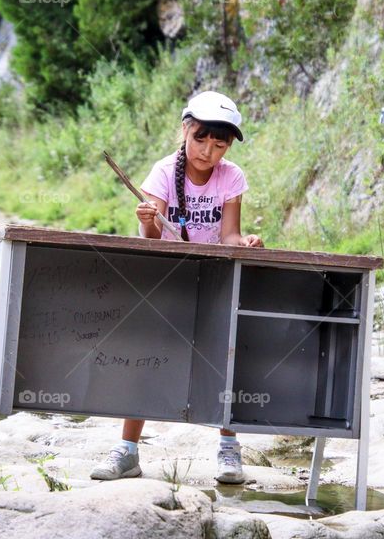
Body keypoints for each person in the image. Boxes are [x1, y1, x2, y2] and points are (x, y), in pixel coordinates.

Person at [90, 90, 264, 484]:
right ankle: (128, 451)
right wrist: (147, 218)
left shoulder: (231, 176)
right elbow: (153, 238)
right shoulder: (165, 172)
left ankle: (228, 450)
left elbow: (230, 238)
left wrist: (248, 242)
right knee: (147, 357)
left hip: (215, 278)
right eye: (201, 139)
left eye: (219, 144)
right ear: (186, 129)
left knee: (225, 358)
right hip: (169, 279)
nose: (208, 151)